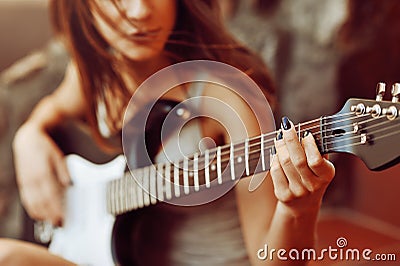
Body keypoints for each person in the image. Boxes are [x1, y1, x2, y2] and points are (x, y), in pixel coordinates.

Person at [0, 0, 335, 265]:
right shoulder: (94, 73)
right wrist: (29, 135)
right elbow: (54, 107)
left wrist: (298, 209)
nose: (141, 10)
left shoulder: (226, 97)